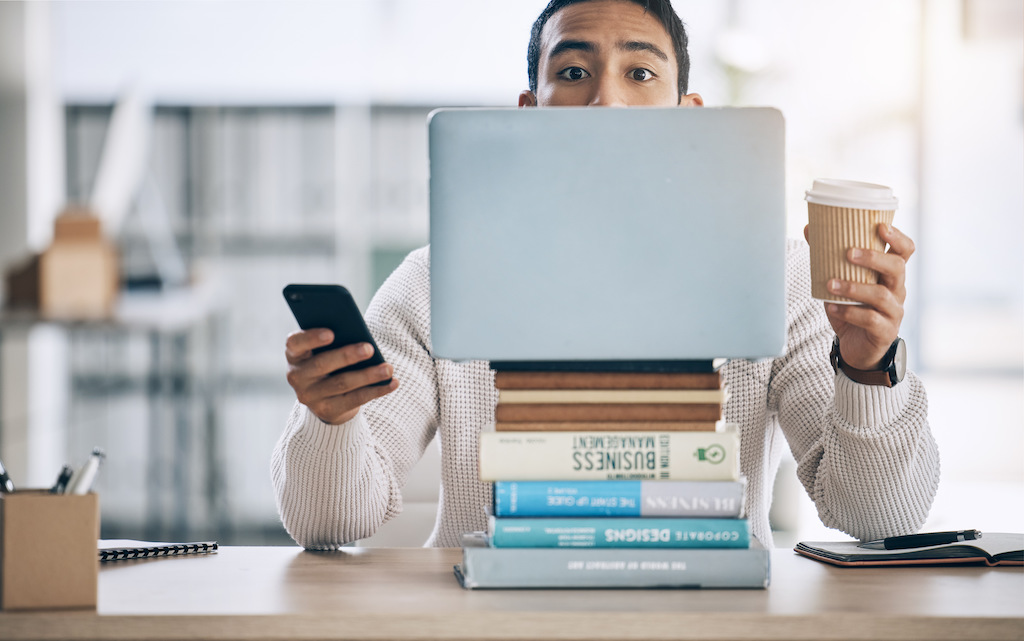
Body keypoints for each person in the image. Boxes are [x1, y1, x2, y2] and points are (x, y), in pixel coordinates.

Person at [272, 0, 939, 549]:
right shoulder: (433, 279)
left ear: (690, 115)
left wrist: (868, 368)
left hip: (707, 616)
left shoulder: (780, 273)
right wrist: (330, 421)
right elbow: (328, 524)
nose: (608, 103)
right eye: (572, 71)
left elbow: (880, 517)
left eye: (642, 74)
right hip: (490, 620)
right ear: (530, 113)